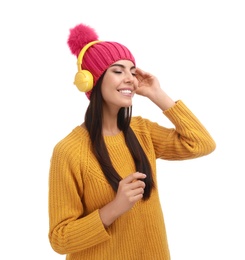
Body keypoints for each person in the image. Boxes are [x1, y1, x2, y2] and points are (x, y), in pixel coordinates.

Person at [48, 23, 216, 260]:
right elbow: (60, 239)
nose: (130, 79)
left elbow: (201, 143)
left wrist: (158, 95)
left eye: (132, 71)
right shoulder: (69, 150)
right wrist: (115, 208)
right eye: (118, 71)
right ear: (91, 81)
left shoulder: (142, 131)